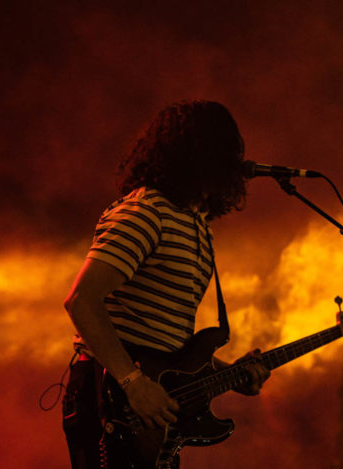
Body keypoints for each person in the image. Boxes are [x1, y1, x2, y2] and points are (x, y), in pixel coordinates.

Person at [62, 100, 270, 469]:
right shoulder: (146, 212)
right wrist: (133, 382)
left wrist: (229, 374)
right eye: (224, 151)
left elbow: (167, 347)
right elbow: (81, 300)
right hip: (112, 398)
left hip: (150, 411)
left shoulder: (196, 226)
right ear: (198, 154)